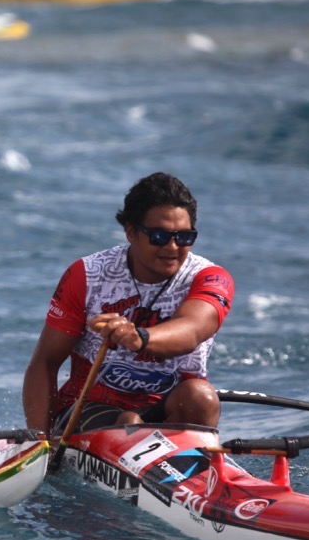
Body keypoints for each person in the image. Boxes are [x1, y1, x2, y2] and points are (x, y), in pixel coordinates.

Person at [22, 172, 234, 436]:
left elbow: (191, 329)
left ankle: (196, 470)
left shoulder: (210, 278)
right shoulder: (87, 274)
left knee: (201, 396)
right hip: (87, 408)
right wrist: (39, 442)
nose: (172, 247)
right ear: (131, 232)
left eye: (184, 237)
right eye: (159, 236)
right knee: (129, 421)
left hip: (164, 406)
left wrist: (140, 338)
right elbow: (45, 362)